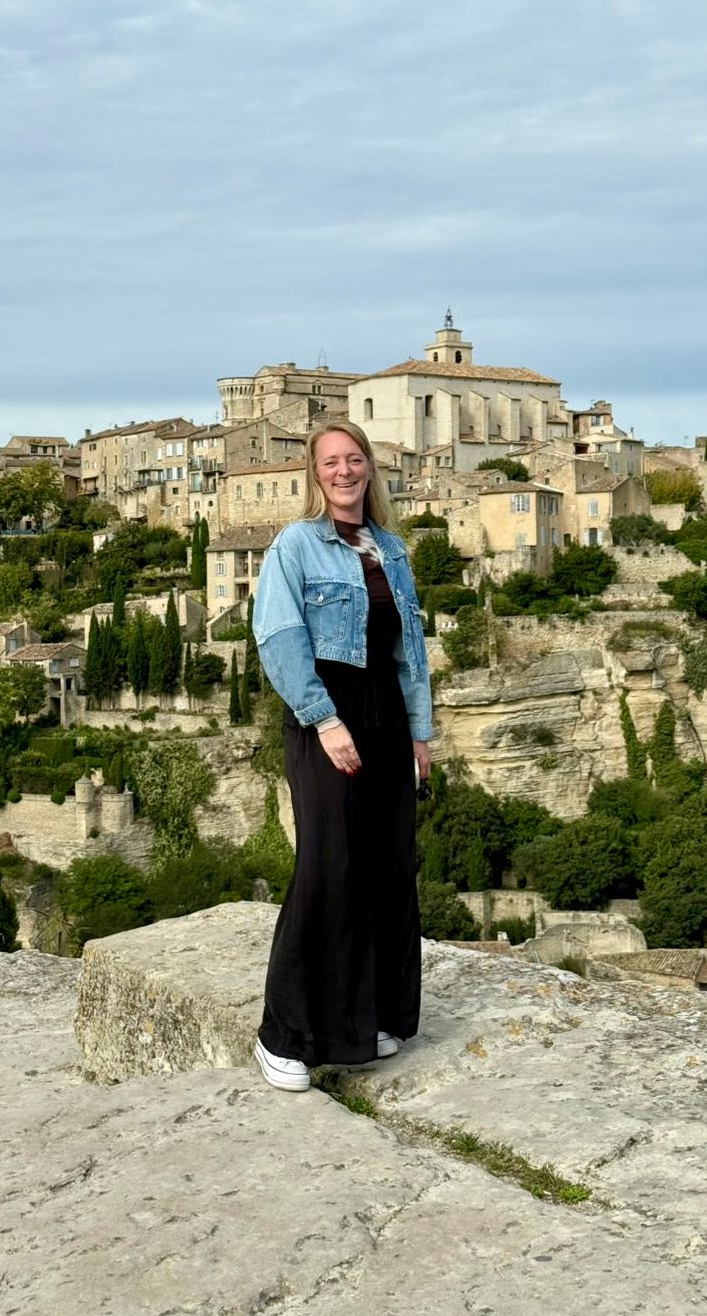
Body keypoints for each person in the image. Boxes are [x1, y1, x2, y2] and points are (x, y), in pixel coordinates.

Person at [251, 421, 433, 1091]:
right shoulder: (296, 544)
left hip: (386, 711)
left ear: (370, 468)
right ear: (314, 473)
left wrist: (420, 733)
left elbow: (409, 652)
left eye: (354, 459)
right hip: (325, 711)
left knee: (387, 863)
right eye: (331, 461)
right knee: (329, 865)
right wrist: (324, 718)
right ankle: (284, 1036)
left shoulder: (392, 548)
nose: (344, 470)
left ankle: (369, 1017)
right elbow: (278, 634)